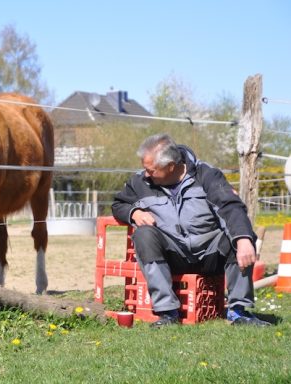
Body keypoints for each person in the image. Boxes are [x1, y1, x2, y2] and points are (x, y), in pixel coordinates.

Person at [112, 133, 272, 327]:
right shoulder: (140, 182)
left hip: (211, 254)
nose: (146, 174)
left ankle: (239, 312)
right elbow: (119, 204)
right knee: (143, 234)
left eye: (151, 170)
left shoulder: (207, 176)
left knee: (239, 235)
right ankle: (167, 313)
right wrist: (134, 212)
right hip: (173, 255)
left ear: (170, 166)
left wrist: (244, 240)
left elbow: (230, 206)